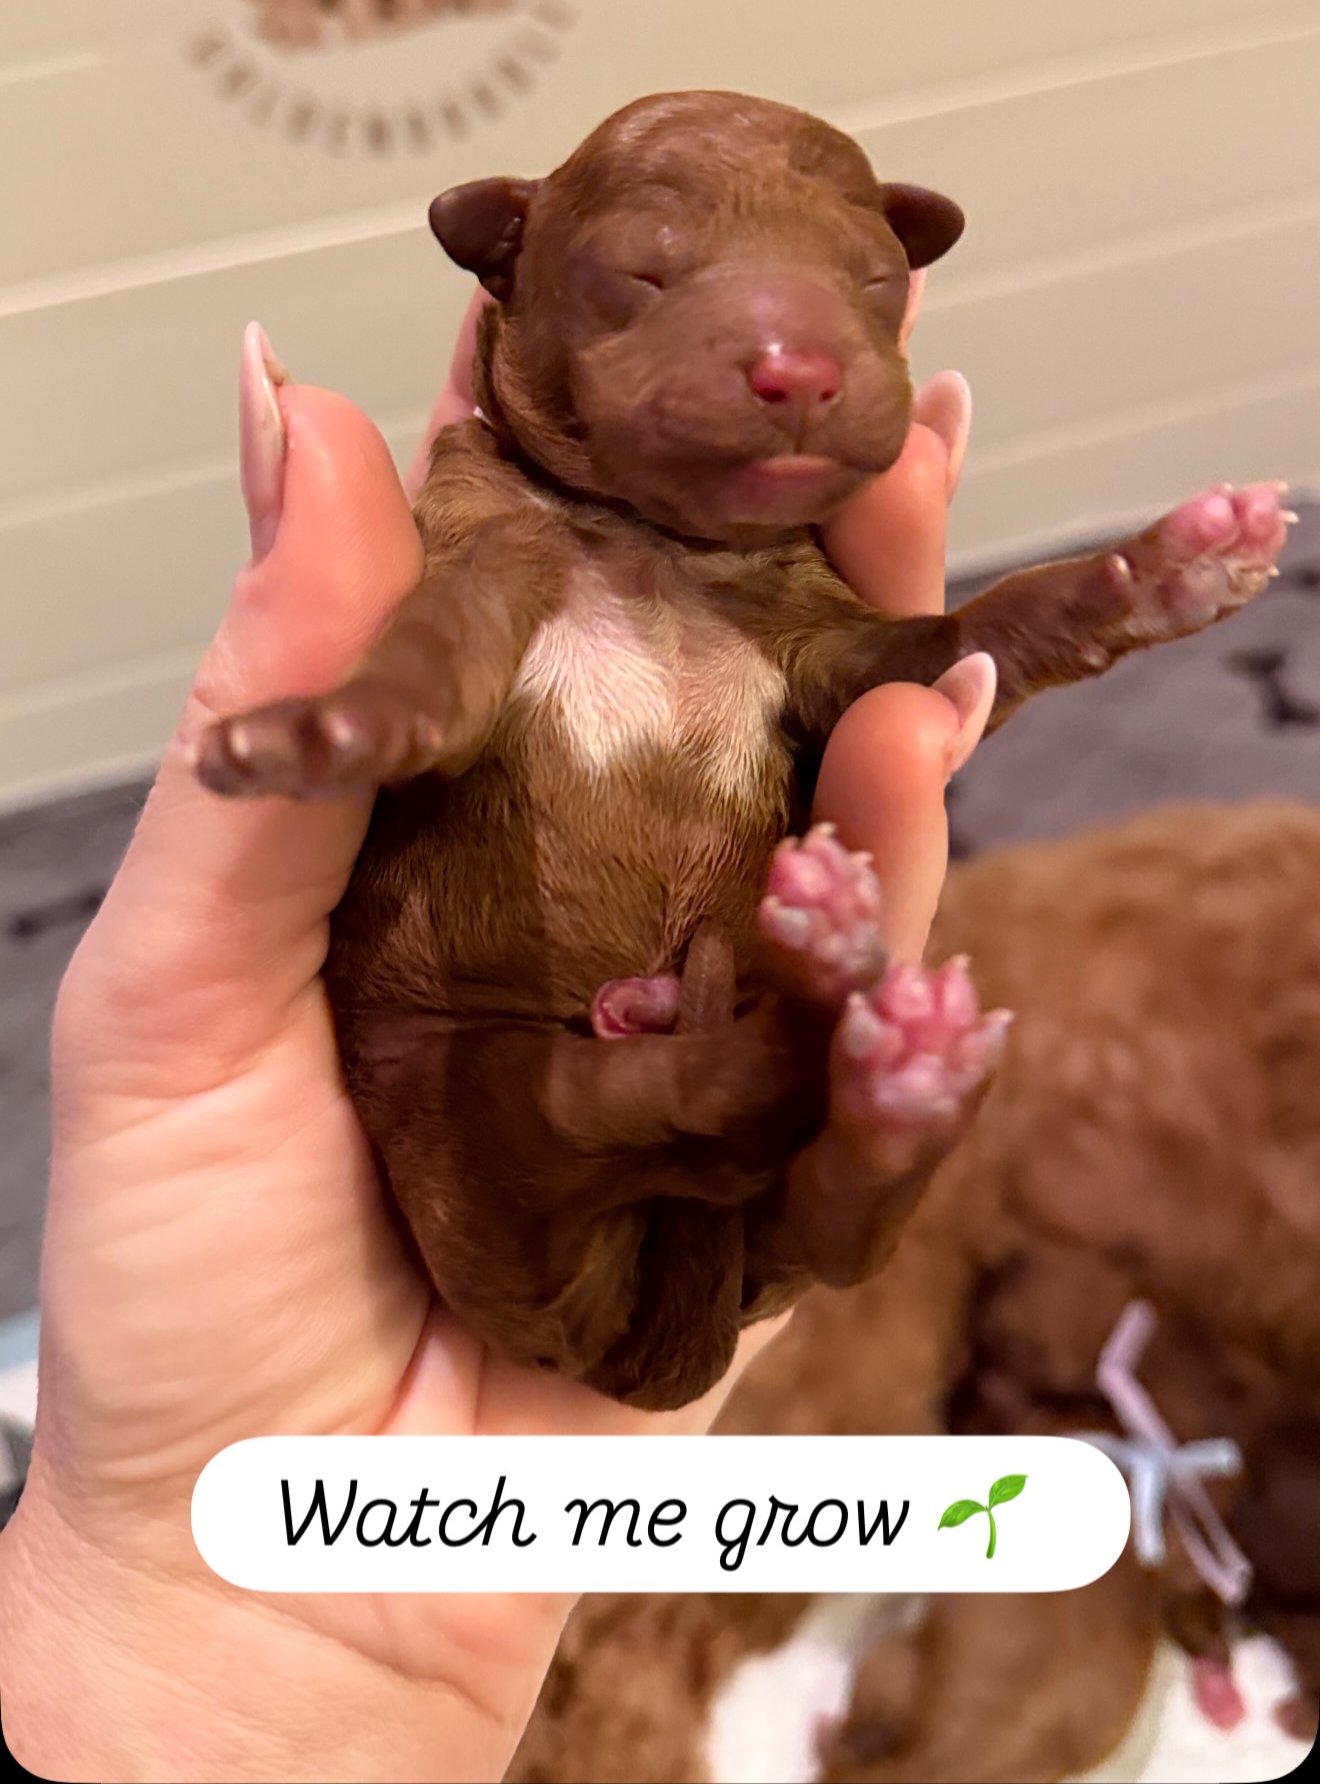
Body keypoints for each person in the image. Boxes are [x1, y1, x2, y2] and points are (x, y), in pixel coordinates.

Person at [0, 281, 992, 1783]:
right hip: (510, 1184)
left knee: (871, 777)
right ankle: (834, 1091)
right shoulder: (506, 524)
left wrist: (178, 1620)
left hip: (524, 1327)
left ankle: (835, 1090)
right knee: (753, 1170)